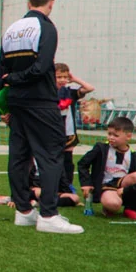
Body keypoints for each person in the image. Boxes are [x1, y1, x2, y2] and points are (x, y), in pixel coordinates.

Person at [0, 0, 84, 234]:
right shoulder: (46, 27)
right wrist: (17, 78)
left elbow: (1, 71)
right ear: (51, 3)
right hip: (40, 101)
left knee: (19, 156)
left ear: (28, 2)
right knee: (52, 154)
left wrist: (2, 102)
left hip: (16, 102)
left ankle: (23, 211)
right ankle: (48, 214)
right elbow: (43, 67)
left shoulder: (12, 29)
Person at [77, 116, 136, 219]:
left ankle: (131, 208)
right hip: (106, 186)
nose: (111, 137)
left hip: (123, 186)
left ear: (128, 136)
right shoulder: (101, 149)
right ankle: (108, 206)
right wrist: (86, 183)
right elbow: (82, 164)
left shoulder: (134, 156)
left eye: (115, 135)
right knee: (113, 204)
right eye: (109, 134)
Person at [56, 63, 95, 191]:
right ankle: (53, 185)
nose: (62, 80)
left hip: (68, 133)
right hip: (52, 133)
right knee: (54, 160)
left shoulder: (70, 92)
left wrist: (74, 79)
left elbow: (90, 88)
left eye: (65, 77)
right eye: (59, 77)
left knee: (68, 161)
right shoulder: (48, 92)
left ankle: (68, 185)